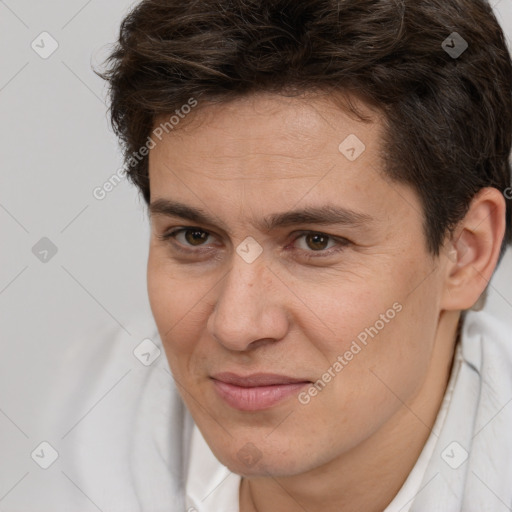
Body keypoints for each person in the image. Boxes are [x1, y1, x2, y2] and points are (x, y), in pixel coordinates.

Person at [87, 0, 512, 510]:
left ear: (466, 252)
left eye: (316, 241)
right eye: (194, 237)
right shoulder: (74, 453)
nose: (236, 326)